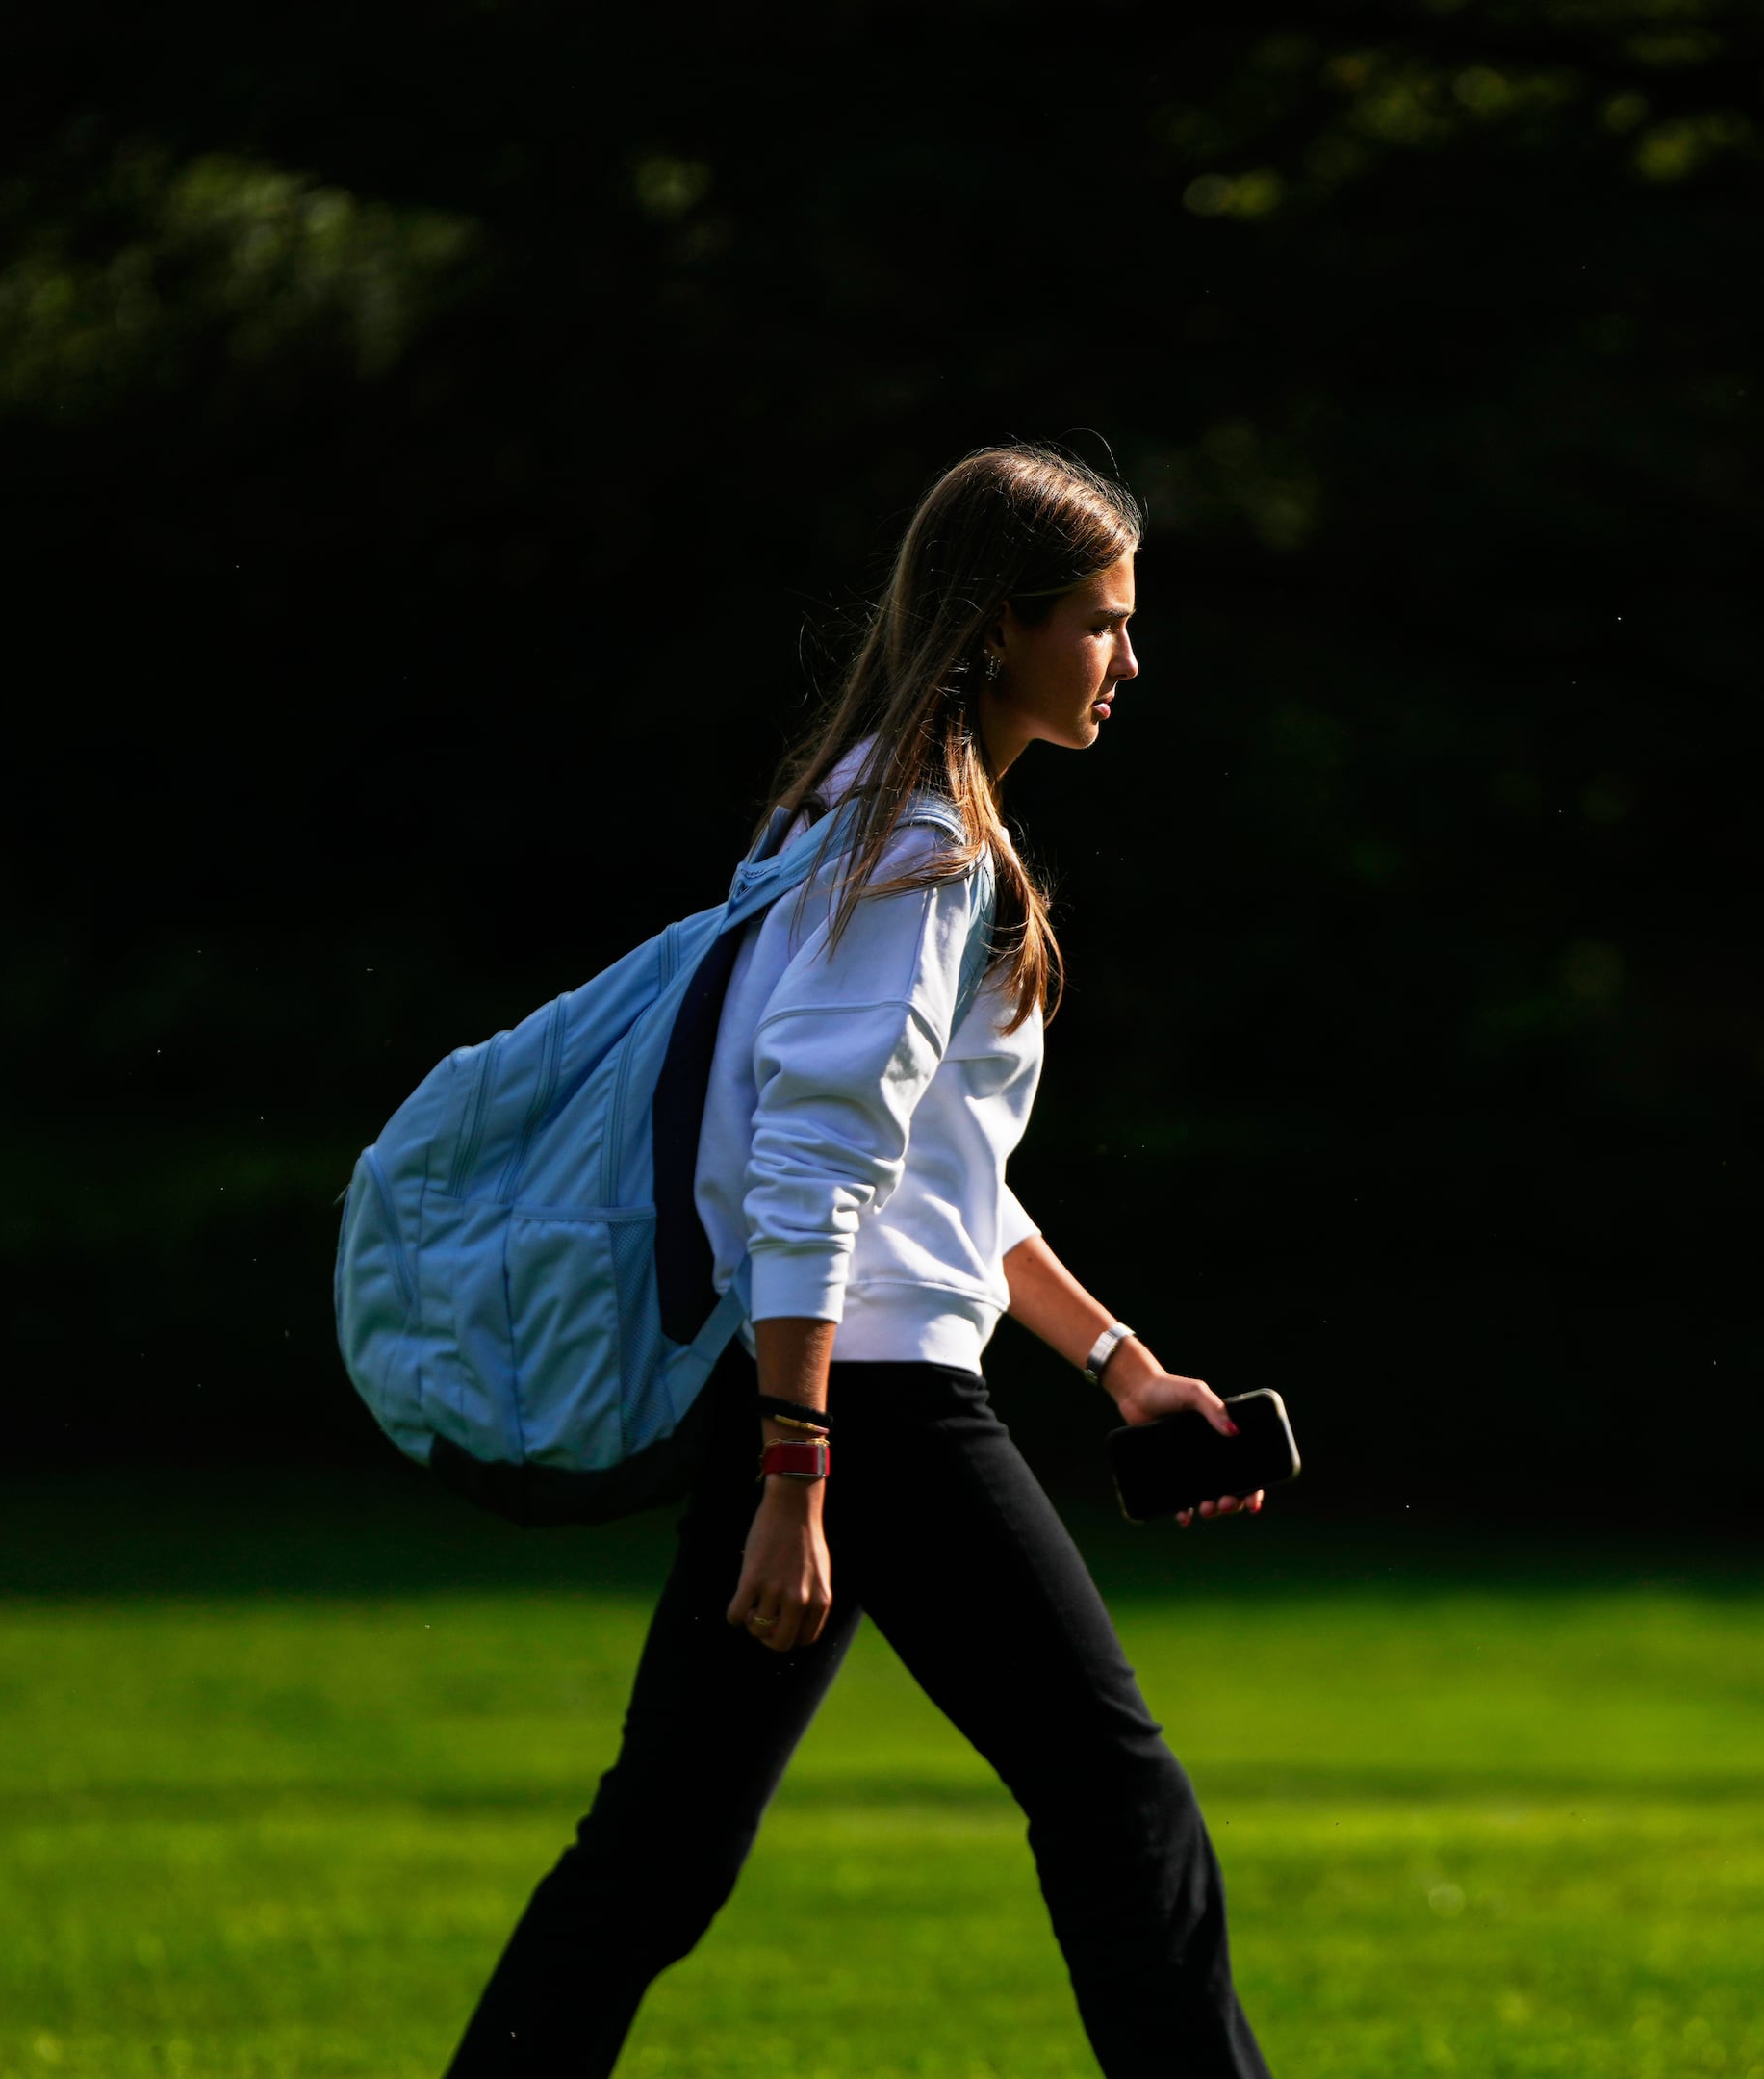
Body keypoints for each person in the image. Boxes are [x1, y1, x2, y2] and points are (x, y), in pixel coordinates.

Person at [447, 445, 1276, 2078]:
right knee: (1119, 1806)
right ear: (998, 628)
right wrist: (798, 1464)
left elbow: (933, 1184)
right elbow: (810, 1166)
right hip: (867, 1407)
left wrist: (1118, 1361)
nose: (1126, 660)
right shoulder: (918, 849)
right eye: (1099, 624)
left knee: (662, 1852)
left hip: (833, 1391)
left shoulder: (841, 820)